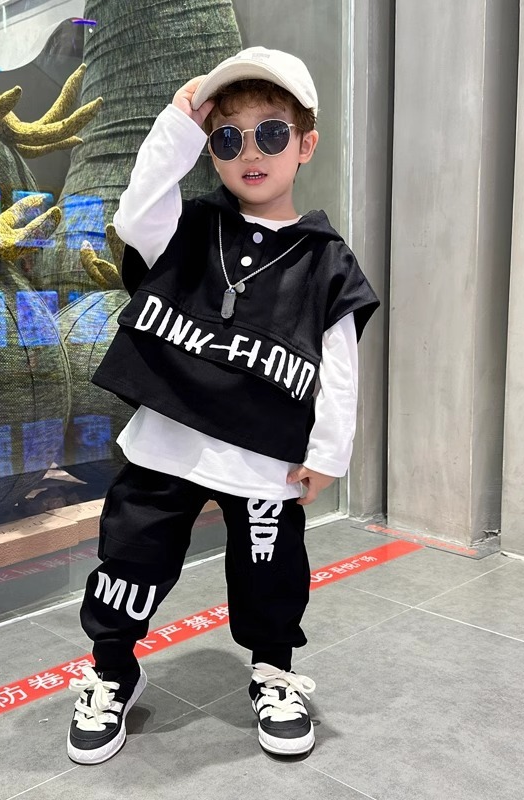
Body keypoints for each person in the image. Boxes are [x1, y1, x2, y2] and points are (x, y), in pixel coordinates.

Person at [66, 46, 380, 765]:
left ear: (306, 145)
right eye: (228, 138)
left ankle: (274, 671)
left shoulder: (326, 260)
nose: (251, 152)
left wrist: (326, 455)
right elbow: (136, 211)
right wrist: (179, 125)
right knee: (129, 561)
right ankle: (112, 672)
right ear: (211, 152)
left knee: (272, 575)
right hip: (167, 440)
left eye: (270, 132)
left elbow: (340, 368)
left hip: (266, 454)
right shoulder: (188, 229)